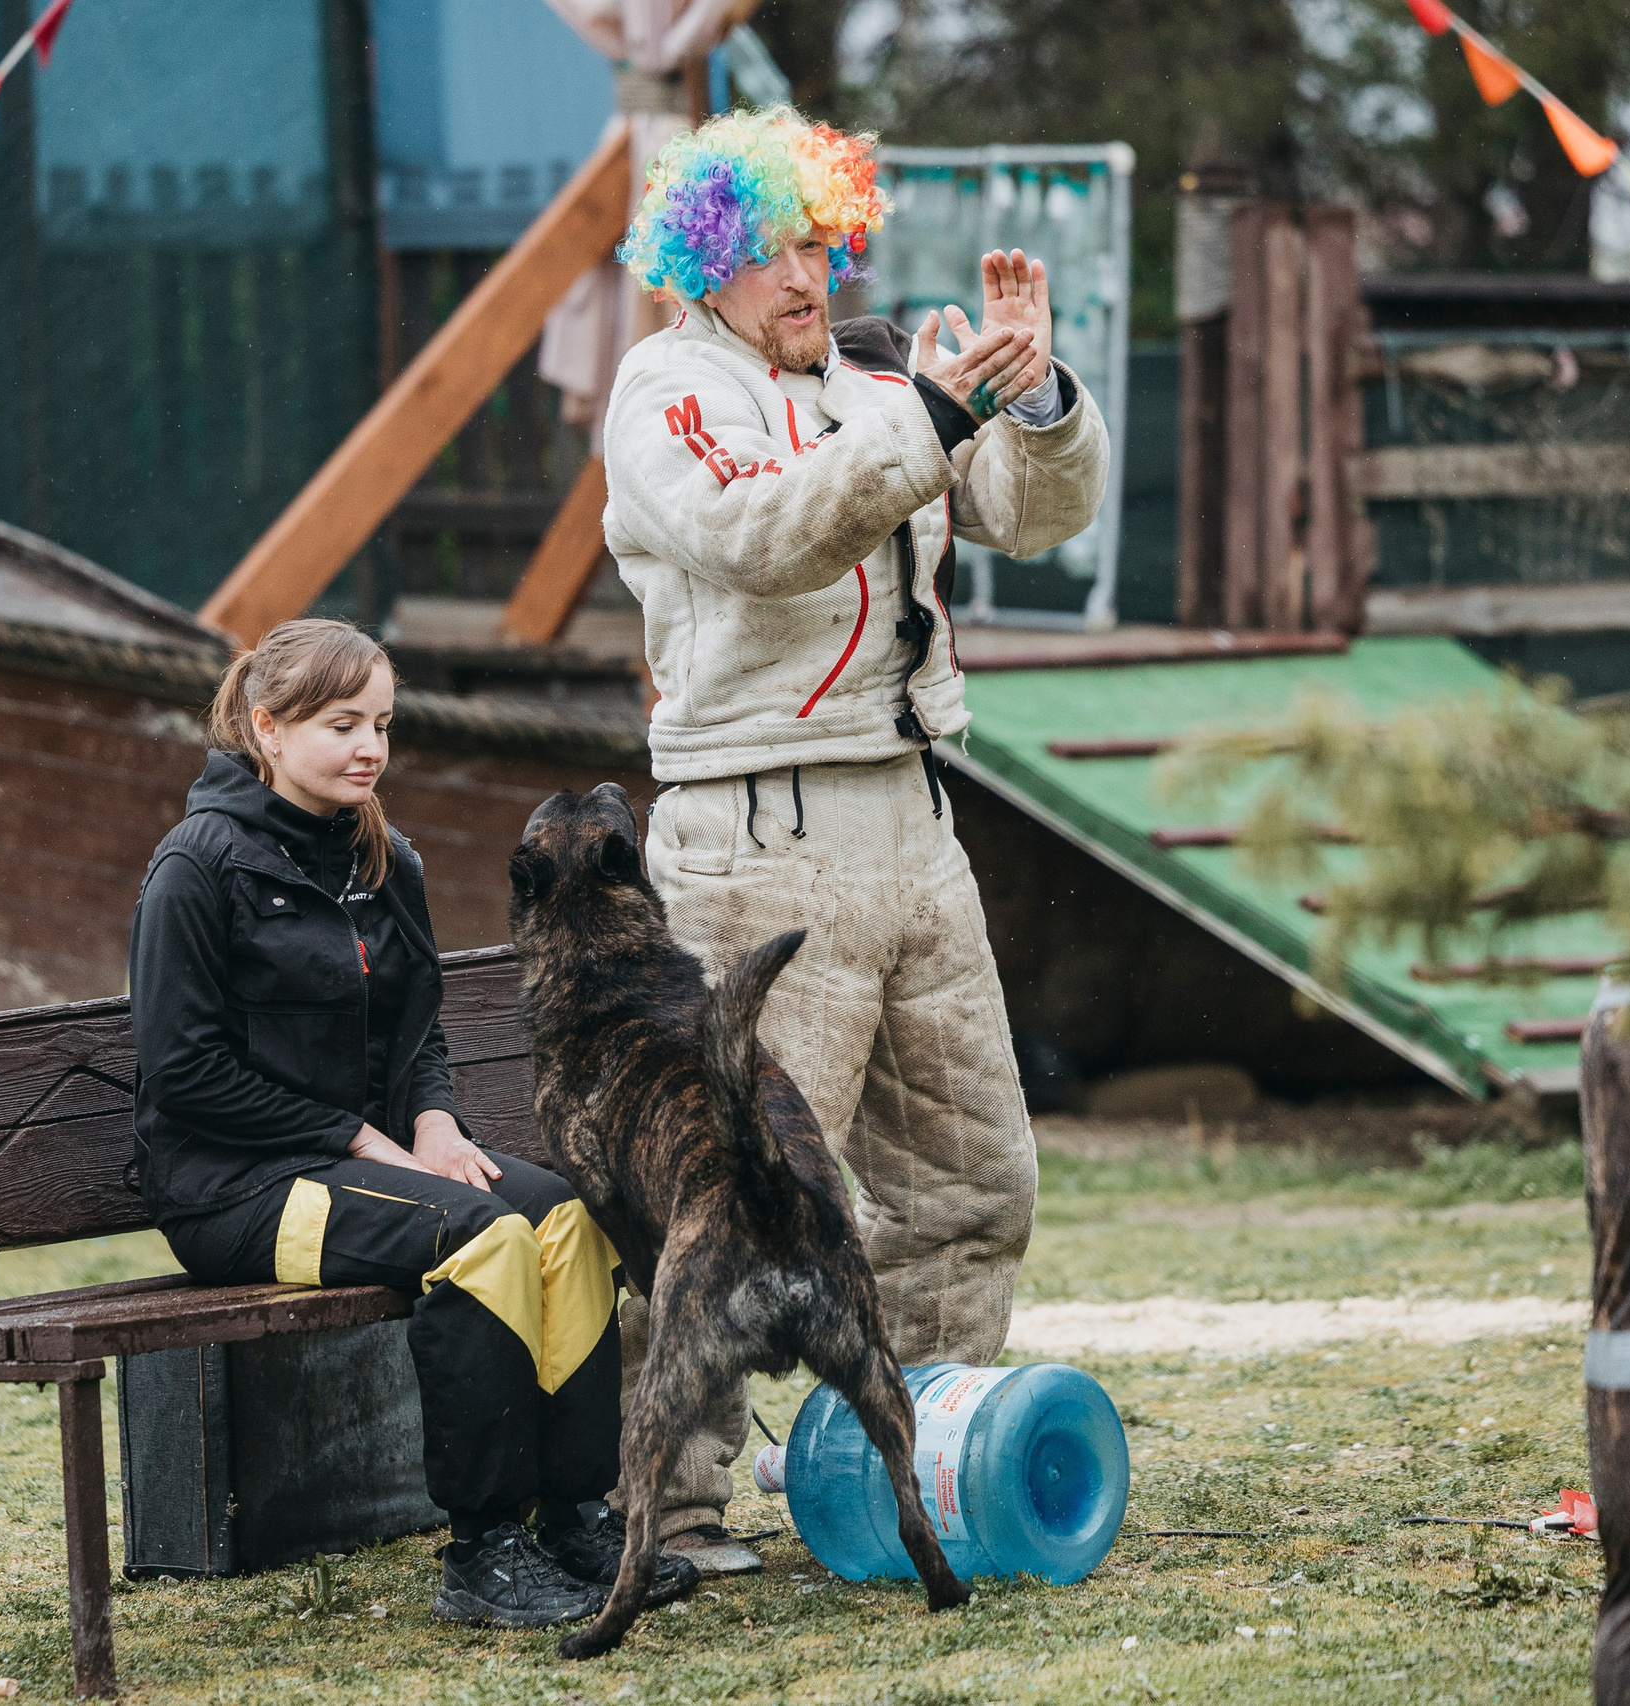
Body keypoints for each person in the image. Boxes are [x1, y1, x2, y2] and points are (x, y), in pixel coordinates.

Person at [599, 106, 1113, 1573]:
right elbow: (772, 534)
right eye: (768, 251)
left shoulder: (880, 374)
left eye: (817, 240)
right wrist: (931, 414)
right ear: (703, 264)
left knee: (972, 1181)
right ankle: (672, 1507)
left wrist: (1030, 392)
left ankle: (924, 1461)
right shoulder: (665, 390)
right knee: (730, 1198)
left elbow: (1024, 511)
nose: (803, 273)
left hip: (915, 817)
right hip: (758, 831)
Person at [125, 618, 696, 1629]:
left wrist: (432, 1118)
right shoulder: (196, 867)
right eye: (342, 724)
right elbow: (181, 1075)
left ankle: (572, 1516)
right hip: (233, 1190)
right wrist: (355, 1138)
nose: (368, 747)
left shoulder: (388, 860)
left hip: (367, 1166)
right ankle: (481, 1552)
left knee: (564, 1216)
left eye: (381, 724)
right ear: (265, 726)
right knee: (477, 1238)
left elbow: (417, 1030)